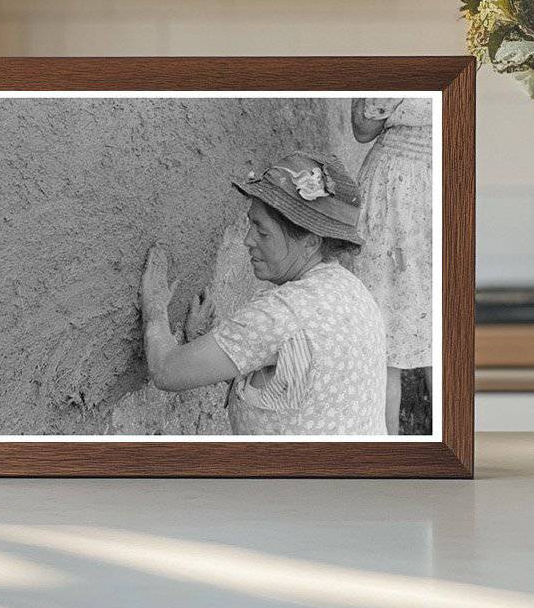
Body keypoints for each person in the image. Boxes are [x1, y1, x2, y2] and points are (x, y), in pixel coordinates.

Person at [139, 152, 387, 436]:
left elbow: (166, 371)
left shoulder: (281, 313)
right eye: (250, 224)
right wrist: (207, 344)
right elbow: (293, 387)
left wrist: (155, 311)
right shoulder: (352, 291)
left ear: (310, 242)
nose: (247, 240)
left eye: (262, 231)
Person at [350, 98, 433, 435]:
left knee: (439, 324)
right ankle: (385, 449)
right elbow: (362, 130)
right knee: (381, 320)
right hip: (390, 187)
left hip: (438, 184)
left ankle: (454, 446)